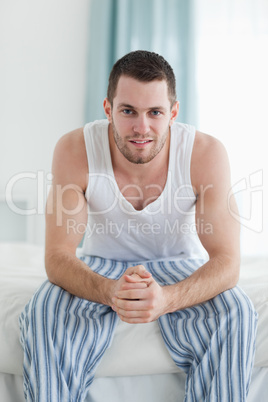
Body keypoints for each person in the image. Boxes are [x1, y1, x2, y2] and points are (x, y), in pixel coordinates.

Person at [19, 50, 257, 401]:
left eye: (155, 113)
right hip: (99, 266)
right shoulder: (75, 149)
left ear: (173, 113)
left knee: (237, 310)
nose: (141, 128)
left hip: (179, 263)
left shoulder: (205, 154)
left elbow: (226, 262)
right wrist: (109, 291)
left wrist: (167, 299)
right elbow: (57, 256)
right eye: (128, 111)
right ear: (108, 109)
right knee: (43, 310)